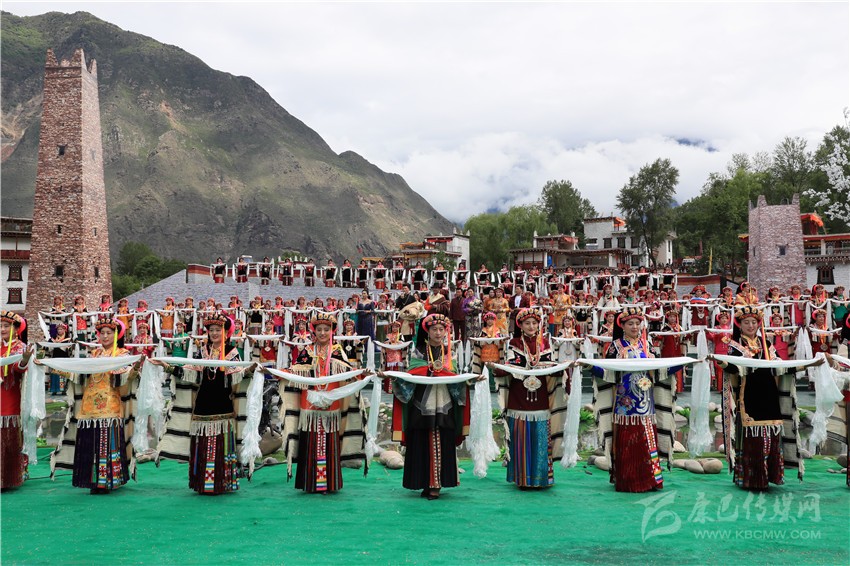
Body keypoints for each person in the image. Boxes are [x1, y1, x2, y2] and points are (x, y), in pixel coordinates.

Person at [154, 312, 256, 495]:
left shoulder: (232, 352)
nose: (214, 333)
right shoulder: (202, 352)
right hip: (202, 405)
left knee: (220, 446)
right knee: (202, 445)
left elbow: (237, 376)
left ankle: (221, 483)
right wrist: (167, 366)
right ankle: (203, 483)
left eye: (218, 330)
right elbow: (192, 372)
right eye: (211, 330)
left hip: (223, 406)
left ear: (226, 332)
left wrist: (249, 371)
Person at [711, 305, 808, 490]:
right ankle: (753, 479)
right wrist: (722, 363)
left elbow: (778, 365)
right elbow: (735, 368)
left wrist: (804, 365)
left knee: (771, 434)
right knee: (753, 437)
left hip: (769, 393)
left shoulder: (766, 344)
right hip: (749, 394)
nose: (751, 326)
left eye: (754, 322)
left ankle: (770, 476)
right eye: (746, 322)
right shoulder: (735, 345)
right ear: (740, 325)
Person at [270, 312, 367, 493]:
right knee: (310, 442)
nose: (323, 333)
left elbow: (350, 373)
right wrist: (276, 372)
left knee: (330, 443)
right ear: (314, 331)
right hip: (309, 408)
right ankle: (310, 483)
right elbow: (293, 371)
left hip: (332, 408)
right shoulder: (307, 351)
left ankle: (329, 483)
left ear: (332, 331)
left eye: (326, 329)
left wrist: (363, 375)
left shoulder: (337, 351)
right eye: (319, 329)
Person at [49, 314, 143, 493]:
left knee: (106, 444)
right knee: (90, 445)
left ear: (116, 335)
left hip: (110, 406)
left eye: (109, 332)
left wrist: (136, 368)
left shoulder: (122, 355)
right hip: (89, 406)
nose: (105, 336)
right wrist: (57, 368)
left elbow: (124, 379)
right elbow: (82, 376)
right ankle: (93, 481)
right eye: (102, 333)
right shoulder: (94, 354)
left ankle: (108, 481)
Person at [587, 306, 675, 493]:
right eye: (630, 324)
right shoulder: (615, 347)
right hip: (624, 405)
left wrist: (681, 364)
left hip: (647, 403)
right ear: (623, 326)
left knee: (647, 441)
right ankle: (628, 482)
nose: (635, 327)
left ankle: (651, 481)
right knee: (628, 444)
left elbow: (659, 370)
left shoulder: (648, 345)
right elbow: (608, 374)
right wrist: (589, 366)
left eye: (637, 323)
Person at [390, 314, 471, 499]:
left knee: (443, 439)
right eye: (434, 329)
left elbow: (454, 374)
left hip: (444, 403)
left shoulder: (449, 352)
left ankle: (437, 485)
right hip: (422, 404)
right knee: (420, 441)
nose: (438, 333)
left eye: (442, 329)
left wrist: (468, 380)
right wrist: (425, 371)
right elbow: (412, 373)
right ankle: (423, 482)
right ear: (427, 331)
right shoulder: (418, 352)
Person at [491, 308, 568, 488]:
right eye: (527, 323)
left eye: (534, 323)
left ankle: (542, 478)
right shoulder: (514, 343)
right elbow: (509, 366)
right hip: (519, 395)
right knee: (520, 438)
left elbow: (551, 367)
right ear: (520, 325)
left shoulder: (545, 343)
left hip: (541, 396)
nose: (531, 326)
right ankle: (522, 479)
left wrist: (564, 368)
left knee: (540, 437)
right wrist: (496, 367)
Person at [1, 312, 33, 490]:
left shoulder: (21, 348)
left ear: (15, 329)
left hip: (12, 395)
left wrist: (25, 360)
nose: (2, 329)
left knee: (10, 434)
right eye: (0, 326)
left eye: (6, 326)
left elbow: (19, 369)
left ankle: (10, 477)